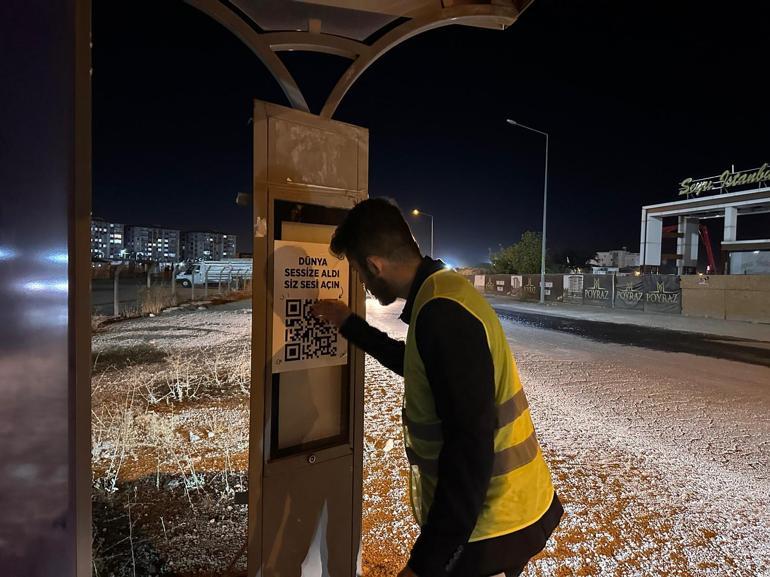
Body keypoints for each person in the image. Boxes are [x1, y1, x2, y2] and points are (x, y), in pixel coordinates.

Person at [311, 198, 562, 577]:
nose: (362, 282)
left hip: (491, 524)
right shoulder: (440, 293)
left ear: (374, 265)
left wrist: (427, 563)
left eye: (360, 273)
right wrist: (349, 324)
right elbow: (416, 365)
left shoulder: (443, 314)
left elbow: (469, 448)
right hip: (497, 514)